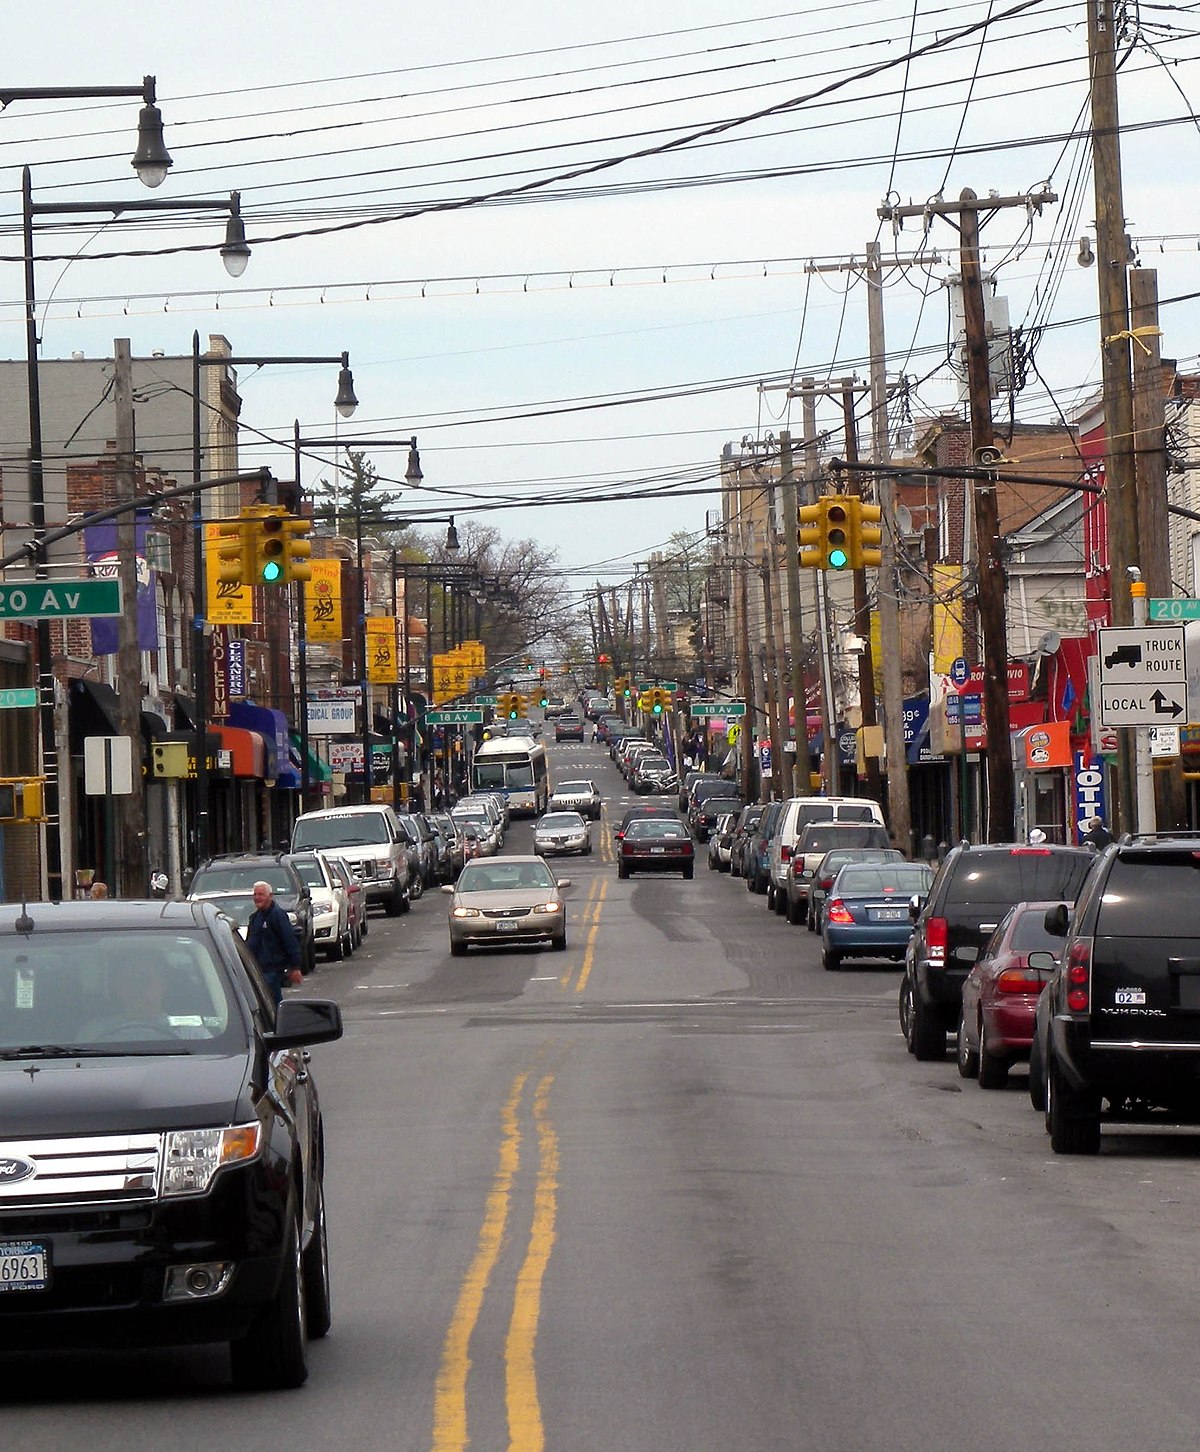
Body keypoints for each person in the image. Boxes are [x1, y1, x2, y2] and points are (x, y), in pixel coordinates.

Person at [246, 880, 303, 1006]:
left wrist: (295, 967)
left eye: (260, 894)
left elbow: (290, 940)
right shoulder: (255, 918)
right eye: (255, 895)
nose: (257, 898)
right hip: (257, 969)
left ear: (270, 896)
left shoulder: (278, 915)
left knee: (272, 1001)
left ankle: (278, 1022)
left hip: (272, 970)